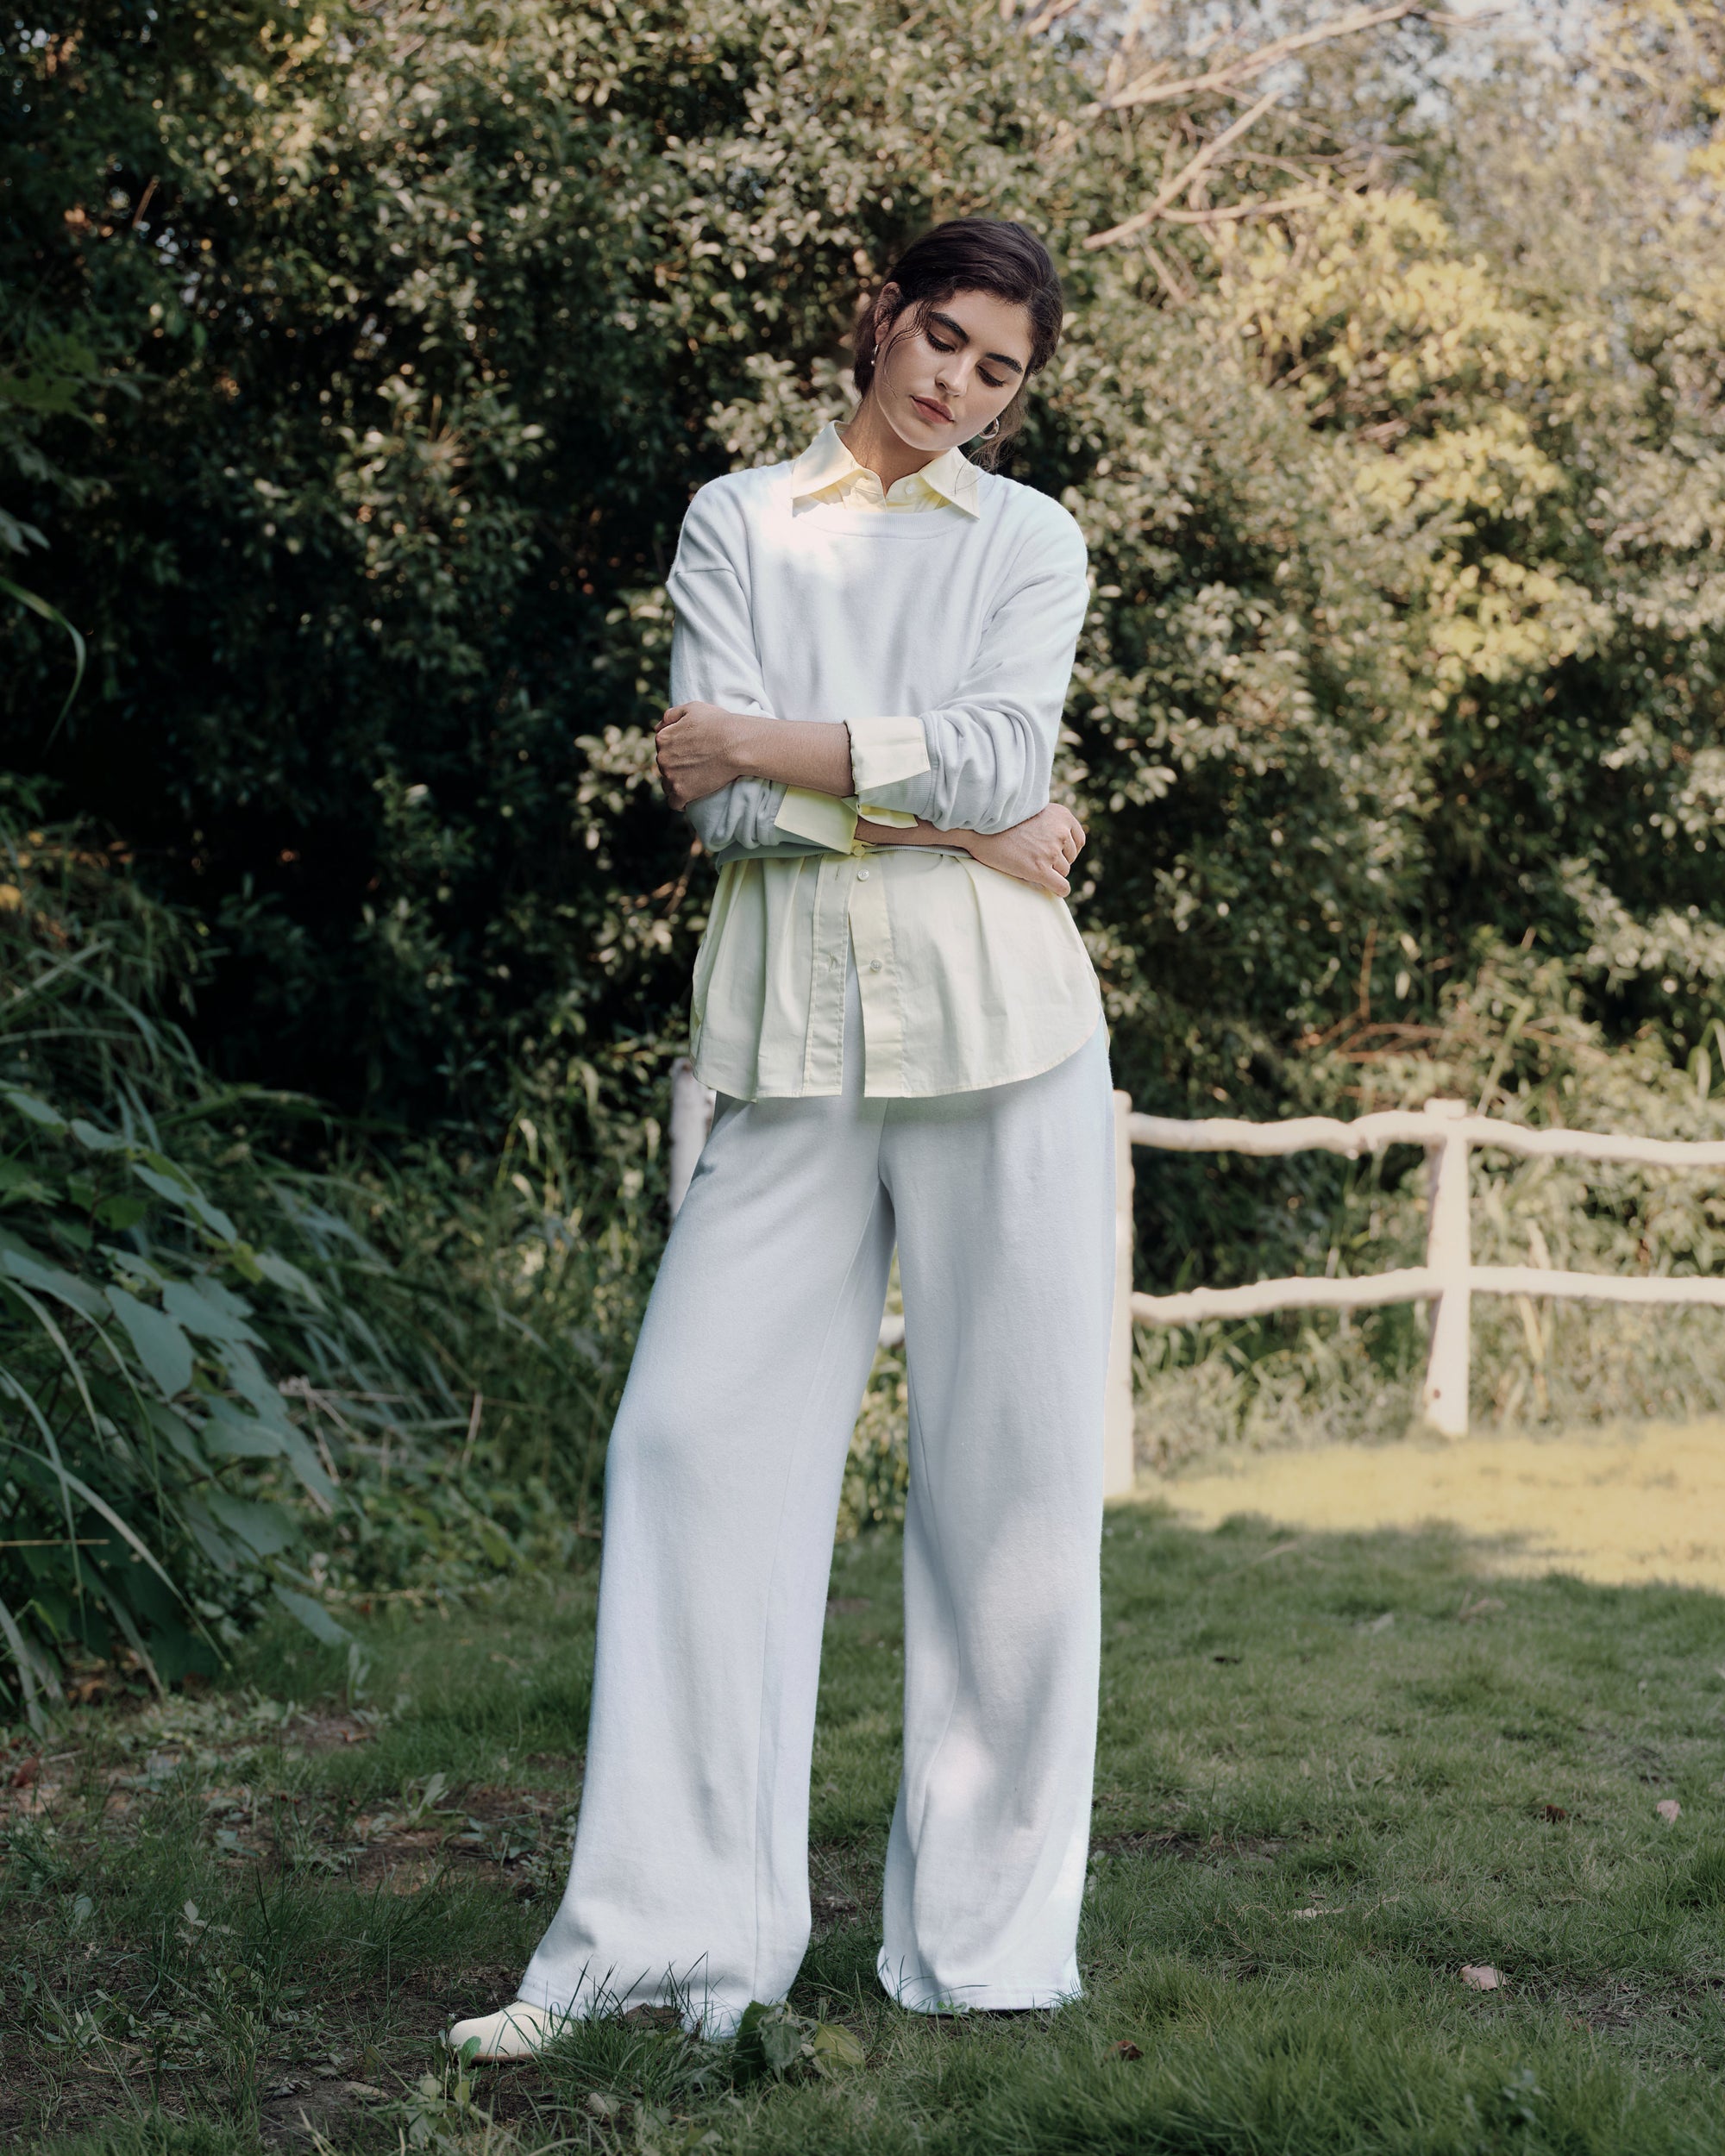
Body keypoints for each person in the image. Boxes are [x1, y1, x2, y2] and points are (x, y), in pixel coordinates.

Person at [449, 216, 1116, 2059]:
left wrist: (775, 737)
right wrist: (967, 811)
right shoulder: (736, 519)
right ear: (878, 314)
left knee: (1009, 1496)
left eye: (997, 372)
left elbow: (931, 757)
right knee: (682, 1443)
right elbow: (725, 815)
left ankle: (981, 1951)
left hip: (1009, 1044)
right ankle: (665, 1945)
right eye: (940, 340)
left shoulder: (1030, 539)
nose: (954, 387)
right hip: (794, 1045)